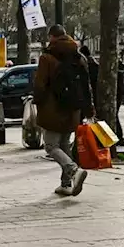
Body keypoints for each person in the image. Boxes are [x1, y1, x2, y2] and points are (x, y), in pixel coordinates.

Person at [33, 26, 94, 196]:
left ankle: (73, 170)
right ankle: (66, 184)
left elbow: (40, 84)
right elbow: (86, 85)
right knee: (65, 145)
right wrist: (88, 109)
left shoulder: (47, 57)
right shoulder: (79, 57)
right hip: (73, 108)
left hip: (53, 107)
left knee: (51, 145)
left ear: (52, 37)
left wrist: (37, 101)